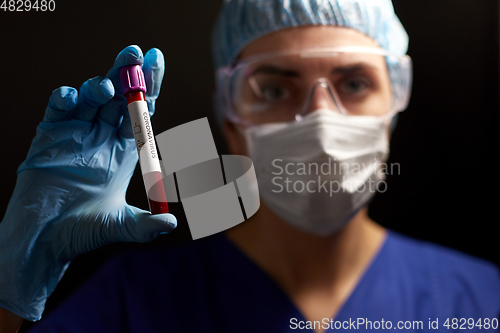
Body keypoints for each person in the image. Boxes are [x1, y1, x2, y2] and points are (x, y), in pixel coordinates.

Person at [1, 0, 499, 332]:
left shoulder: (482, 301)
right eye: (276, 89)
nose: (322, 122)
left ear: (394, 105)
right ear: (232, 121)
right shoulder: (131, 305)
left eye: (353, 84)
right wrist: (8, 294)